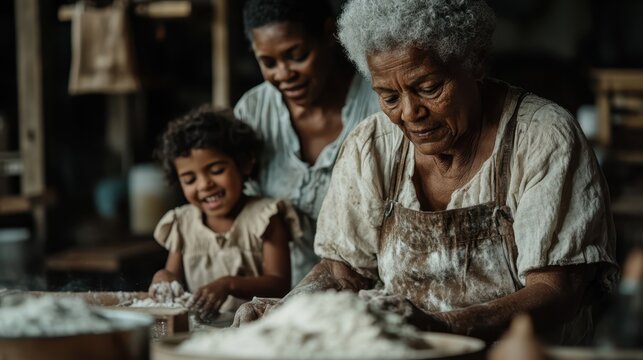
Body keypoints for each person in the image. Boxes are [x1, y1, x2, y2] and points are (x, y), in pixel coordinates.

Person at [233, 0, 619, 345]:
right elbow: (344, 270)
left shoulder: (543, 137)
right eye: (388, 96)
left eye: (429, 87)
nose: (410, 113)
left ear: (476, 61)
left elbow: (557, 290)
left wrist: (444, 327)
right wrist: (287, 311)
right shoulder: (373, 144)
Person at [234, 0, 381, 286]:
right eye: (268, 62)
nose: (284, 74)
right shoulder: (254, 113)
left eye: (297, 55)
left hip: (370, 294)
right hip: (281, 296)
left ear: (328, 35)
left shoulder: (380, 103)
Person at [149, 105, 299, 316]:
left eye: (216, 170)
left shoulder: (266, 217)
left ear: (244, 164)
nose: (204, 185)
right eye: (190, 179)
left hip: (255, 329)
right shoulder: (183, 223)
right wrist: (163, 277)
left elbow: (280, 284)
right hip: (202, 331)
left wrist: (228, 284)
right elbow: (172, 274)